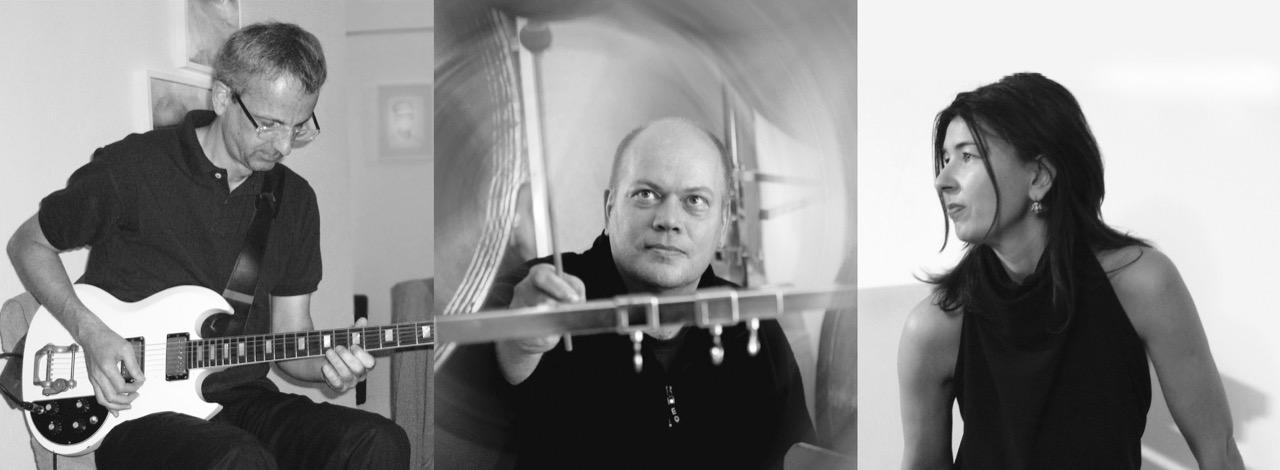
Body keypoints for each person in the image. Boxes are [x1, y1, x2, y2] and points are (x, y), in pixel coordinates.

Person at [6, 22, 408, 469]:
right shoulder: (133, 168)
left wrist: (332, 368)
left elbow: (291, 338)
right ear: (222, 98)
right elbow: (28, 244)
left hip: (243, 398)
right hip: (135, 413)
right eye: (269, 124)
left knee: (377, 440)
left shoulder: (294, 200)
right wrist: (91, 333)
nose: (284, 146)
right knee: (239, 460)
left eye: (299, 127)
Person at [896, 73, 1244, 469]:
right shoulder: (934, 327)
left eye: (967, 156)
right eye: (944, 159)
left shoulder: (1143, 284)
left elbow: (1219, 452)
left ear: (1039, 177)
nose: (942, 181)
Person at [438, 118, 814, 469]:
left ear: (723, 223)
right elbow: (453, 404)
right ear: (610, 207)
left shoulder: (753, 325)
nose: (669, 220)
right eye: (646, 194)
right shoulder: (536, 292)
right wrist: (518, 348)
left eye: (695, 201)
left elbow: (800, 456)